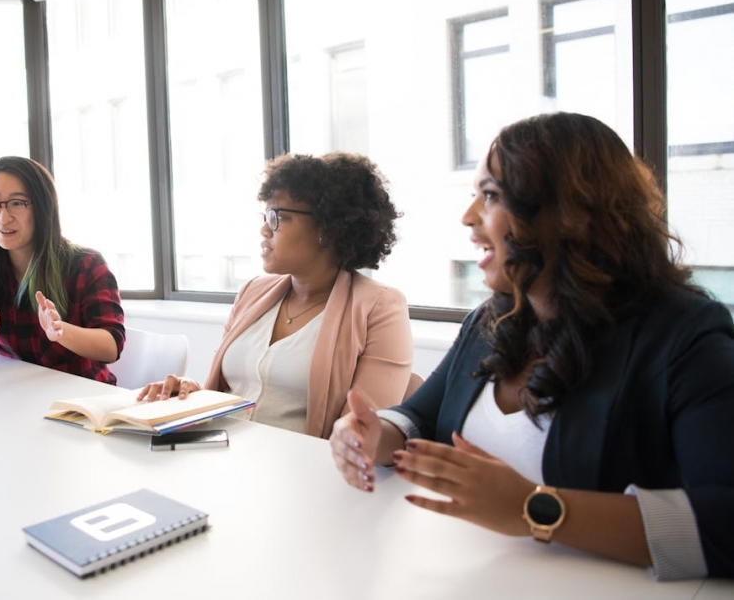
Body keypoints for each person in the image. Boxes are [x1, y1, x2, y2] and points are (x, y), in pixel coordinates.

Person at [330, 112, 734, 579]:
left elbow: (724, 521)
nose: (468, 217)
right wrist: (373, 436)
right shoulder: (494, 318)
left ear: (570, 213)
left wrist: (533, 509)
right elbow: (420, 417)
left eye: (491, 196)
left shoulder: (686, 336)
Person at [138, 152, 413, 439]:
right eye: (265, 215)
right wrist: (191, 394)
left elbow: (362, 435)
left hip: (302, 473)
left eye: (277, 217)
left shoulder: (379, 307)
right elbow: (230, 392)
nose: (264, 229)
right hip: (218, 456)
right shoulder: (252, 292)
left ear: (328, 229)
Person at [0, 156, 125, 383]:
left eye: (17, 203)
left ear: (42, 208)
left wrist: (61, 331)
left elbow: (111, 346)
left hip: (80, 402)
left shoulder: (86, 264)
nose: (3, 217)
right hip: (15, 398)